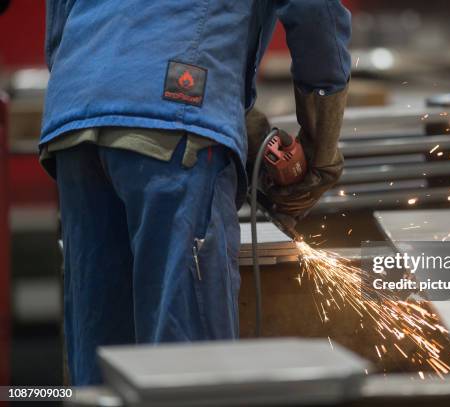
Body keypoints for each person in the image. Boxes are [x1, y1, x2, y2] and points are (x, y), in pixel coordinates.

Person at [40, 0, 351, 385]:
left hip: (75, 118)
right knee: (189, 366)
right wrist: (321, 146)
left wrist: (231, 114)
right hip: (177, 125)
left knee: (101, 360)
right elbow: (315, 9)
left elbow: (59, 24)